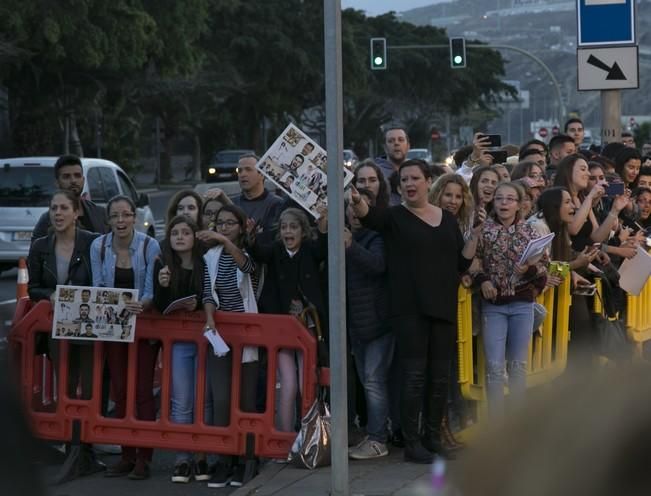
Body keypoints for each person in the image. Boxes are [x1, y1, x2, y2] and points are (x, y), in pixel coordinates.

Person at [349, 159, 480, 463]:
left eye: (415, 178)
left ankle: (433, 438)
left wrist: (474, 238)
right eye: (403, 180)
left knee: (439, 378)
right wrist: (356, 200)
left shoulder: (447, 220)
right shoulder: (394, 217)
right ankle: (412, 442)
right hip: (410, 311)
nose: (409, 184)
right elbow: (370, 219)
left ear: (426, 182)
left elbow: (460, 263)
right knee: (414, 377)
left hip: (443, 308)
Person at [27, 190, 100, 474]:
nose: (57, 213)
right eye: (53, 208)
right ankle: (71, 445)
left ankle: (87, 448)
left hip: (90, 326)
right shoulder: (41, 246)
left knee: (91, 386)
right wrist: (52, 295)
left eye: (63, 208)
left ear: (76, 212)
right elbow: (33, 288)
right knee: (65, 384)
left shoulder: (93, 243)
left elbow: (102, 281)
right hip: (58, 328)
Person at [91, 195, 161, 480]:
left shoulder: (149, 245)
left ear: (135, 217)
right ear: (108, 220)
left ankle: (145, 457)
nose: (121, 221)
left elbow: (151, 289)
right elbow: (97, 285)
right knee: (120, 391)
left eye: (126, 215)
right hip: (113, 327)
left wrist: (143, 303)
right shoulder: (99, 245)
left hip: (144, 326)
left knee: (143, 390)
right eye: (115, 216)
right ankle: (126, 454)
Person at [248, 207, 328, 433]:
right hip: (283, 328)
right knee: (288, 384)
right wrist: (251, 237)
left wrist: (322, 227)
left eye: (293, 227)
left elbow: (324, 249)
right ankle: (284, 436)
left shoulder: (310, 250)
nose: (287, 232)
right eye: (283, 227)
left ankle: (308, 434)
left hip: (308, 326)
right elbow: (258, 253)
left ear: (303, 231)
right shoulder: (275, 251)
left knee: (307, 382)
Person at [474, 182, 548, 417]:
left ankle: (517, 424)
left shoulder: (530, 232)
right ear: (493, 202)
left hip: (522, 304)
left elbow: (544, 266)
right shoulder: (483, 230)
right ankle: (497, 424)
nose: (504, 203)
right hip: (493, 306)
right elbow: (472, 261)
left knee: (517, 367)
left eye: (509, 199)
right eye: (499, 198)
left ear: (519, 204)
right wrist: (483, 279)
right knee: (495, 368)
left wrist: (529, 270)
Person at [202, 205, 260, 488]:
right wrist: (210, 317)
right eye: (220, 224)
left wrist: (226, 242)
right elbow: (207, 292)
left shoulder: (248, 253)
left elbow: (247, 268)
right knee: (222, 399)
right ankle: (224, 461)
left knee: (246, 398)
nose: (224, 228)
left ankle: (246, 460)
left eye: (230, 224)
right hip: (221, 333)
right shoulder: (210, 257)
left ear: (240, 226)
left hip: (247, 332)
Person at [153, 216, 208, 484]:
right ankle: (182, 458)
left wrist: (196, 306)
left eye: (186, 232)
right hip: (180, 341)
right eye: (174, 232)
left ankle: (203, 454)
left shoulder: (204, 264)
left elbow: (212, 297)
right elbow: (161, 307)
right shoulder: (163, 266)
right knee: (182, 399)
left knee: (204, 399)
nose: (180, 237)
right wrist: (162, 287)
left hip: (207, 339)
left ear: (195, 236)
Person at [344, 189, 392, 460]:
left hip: (378, 324)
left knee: (375, 381)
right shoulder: (343, 237)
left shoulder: (377, 237)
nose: (354, 213)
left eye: (358, 207)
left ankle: (377, 440)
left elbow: (377, 265)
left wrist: (351, 246)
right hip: (356, 324)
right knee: (367, 382)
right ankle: (375, 431)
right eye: (349, 208)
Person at [31, 155, 108, 241]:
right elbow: (36, 251)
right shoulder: (47, 220)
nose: (73, 181)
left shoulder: (99, 213)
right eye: (66, 176)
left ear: (83, 180)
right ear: (57, 183)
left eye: (77, 175)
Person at [233, 153, 283, 235]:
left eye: (248, 169)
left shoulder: (276, 204)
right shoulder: (233, 203)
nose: (242, 174)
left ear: (262, 174)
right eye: (239, 171)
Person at [376, 127, 410, 205]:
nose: (396, 143)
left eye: (401, 140)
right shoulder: (375, 171)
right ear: (385, 147)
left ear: (408, 145)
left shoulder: (417, 170)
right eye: (391, 141)